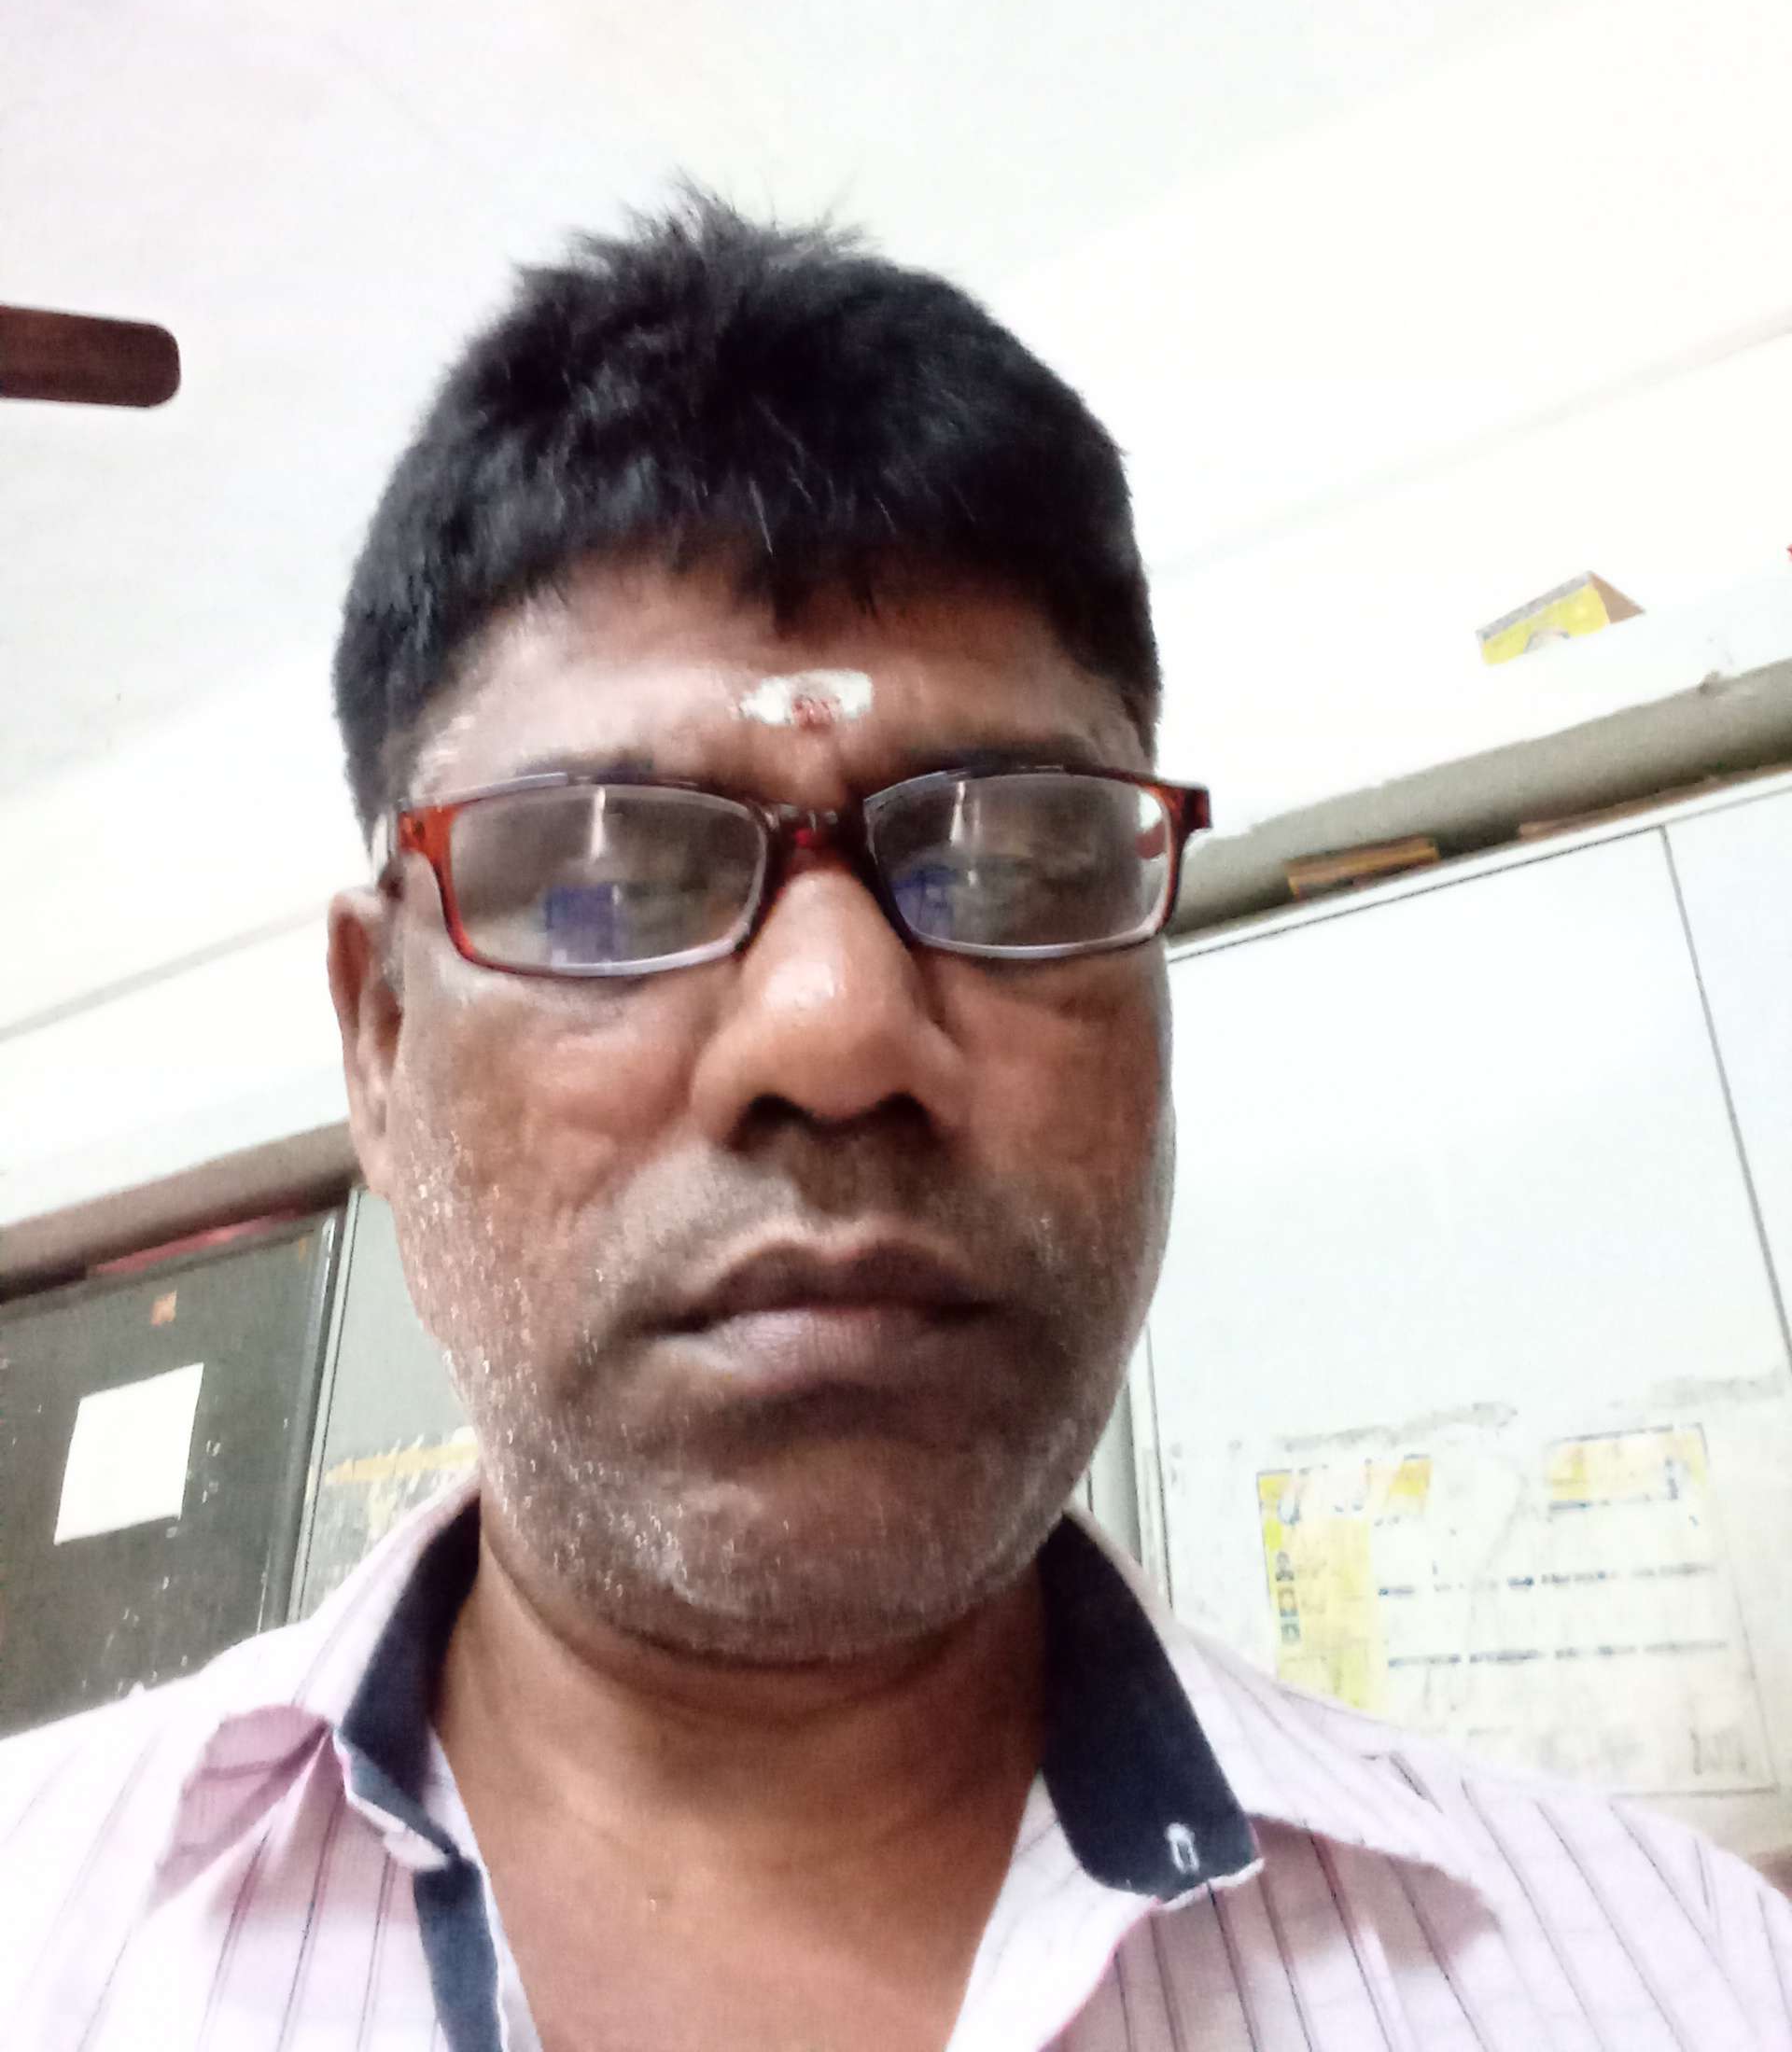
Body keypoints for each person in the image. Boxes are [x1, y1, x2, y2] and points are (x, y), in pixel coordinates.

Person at [4, 196, 1788, 2052]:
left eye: (1011, 858)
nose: (839, 1031)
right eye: (605, 876)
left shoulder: (1674, 1986)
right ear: (380, 1040)